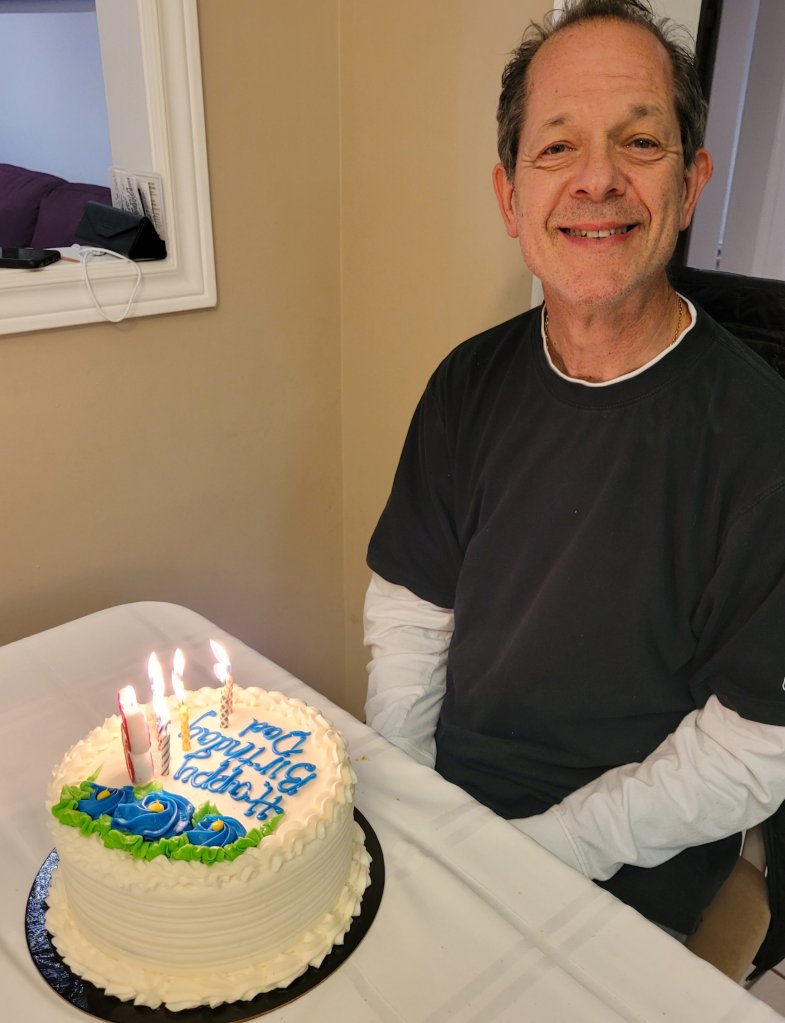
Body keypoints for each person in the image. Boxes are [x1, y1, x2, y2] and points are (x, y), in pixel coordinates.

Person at [363, 0, 785, 938]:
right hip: (444, 812)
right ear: (510, 197)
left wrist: (539, 851)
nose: (597, 179)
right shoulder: (466, 383)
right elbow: (411, 612)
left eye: (639, 142)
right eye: (556, 148)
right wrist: (407, 799)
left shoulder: (764, 441)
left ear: (690, 183)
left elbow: (757, 741)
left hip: (626, 876)